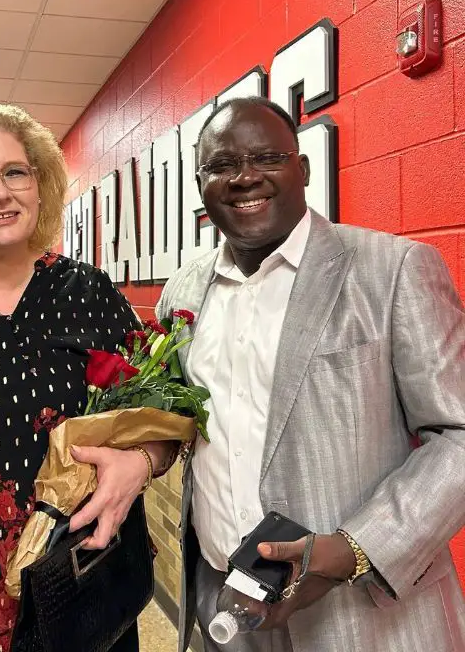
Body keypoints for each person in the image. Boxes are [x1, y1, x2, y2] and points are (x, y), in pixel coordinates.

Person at [156, 96, 465, 651]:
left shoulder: (392, 270)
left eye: (266, 158)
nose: (245, 178)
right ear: (201, 186)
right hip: (226, 605)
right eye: (222, 166)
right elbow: (180, 420)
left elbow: (459, 435)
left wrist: (356, 548)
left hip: (362, 616)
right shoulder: (182, 291)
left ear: (302, 169)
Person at [0, 103, 174, 652]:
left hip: (81, 590)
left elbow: (169, 415)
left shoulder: (89, 292)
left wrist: (142, 461)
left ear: (40, 182)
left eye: (15, 172)